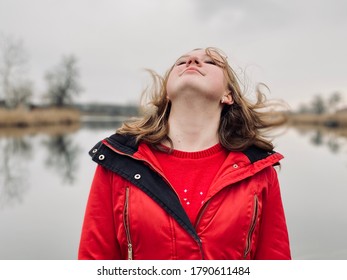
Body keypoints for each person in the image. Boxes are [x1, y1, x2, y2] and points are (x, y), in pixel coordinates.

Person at [78, 47, 291, 260]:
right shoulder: (119, 161)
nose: (192, 60)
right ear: (167, 93)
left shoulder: (258, 170)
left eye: (210, 62)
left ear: (228, 94)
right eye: (181, 62)